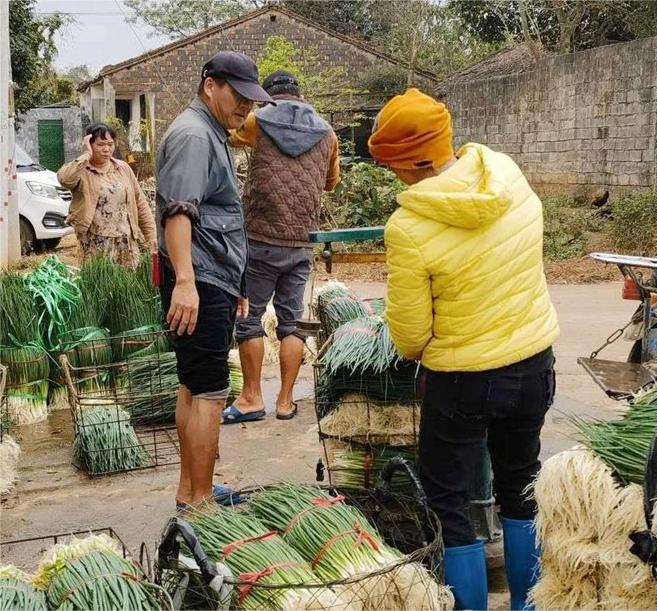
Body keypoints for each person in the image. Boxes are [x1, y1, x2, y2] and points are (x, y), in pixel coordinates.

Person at [368, 88, 560, 611]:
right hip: (533, 363)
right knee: (520, 485)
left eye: (396, 166)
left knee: (450, 503)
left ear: (412, 161)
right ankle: (527, 604)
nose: (396, 176)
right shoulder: (505, 172)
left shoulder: (407, 226)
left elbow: (409, 336)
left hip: (463, 380)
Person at [155, 51, 273, 509]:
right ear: (210, 85)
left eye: (251, 99)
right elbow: (178, 212)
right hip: (197, 282)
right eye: (238, 95)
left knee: (193, 384)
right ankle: (201, 503)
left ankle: (191, 491)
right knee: (208, 392)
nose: (246, 106)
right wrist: (186, 281)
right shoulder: (194, 136)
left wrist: (234, 283)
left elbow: (215, 213)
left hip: (208, 279)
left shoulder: (211, 132)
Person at [225, 70, 340, 423]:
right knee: (291, 323)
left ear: (267, 95)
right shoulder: (328, 132)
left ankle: (251, 398)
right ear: (300, 94)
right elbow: (332, 183)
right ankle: (286, 402)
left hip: (260, 238)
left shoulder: (258, 120)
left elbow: (230, 137)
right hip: (303, 242)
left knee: (249, 319)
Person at [57, 123, 156, 269]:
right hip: (95, 245)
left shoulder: (122, 168)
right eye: (100, 144)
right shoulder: (82, 170)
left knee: (127, 286)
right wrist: (86, 155)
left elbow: (140, 203)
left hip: (126, 243)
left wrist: (151, 236)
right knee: (100, 286)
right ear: (90, 145)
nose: (106, 149)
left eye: (110, 144)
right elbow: (64, 179)